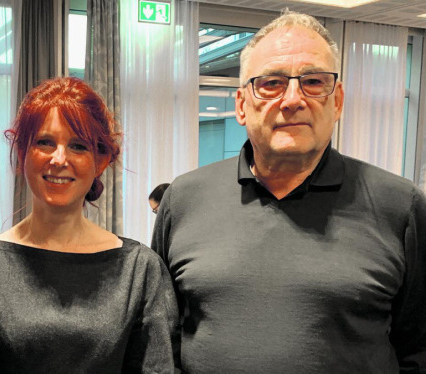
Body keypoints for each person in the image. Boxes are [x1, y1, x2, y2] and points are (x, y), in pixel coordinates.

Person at [152, 10, 426, 373]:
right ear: (241, 105)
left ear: (338, 100)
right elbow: (161, 341)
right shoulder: (184, 200)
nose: (293, 99)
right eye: (271, 83)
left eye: (313, 81)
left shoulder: (401, 207)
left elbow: (419, 350)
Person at [0, 77, 178, 373]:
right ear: (23, 153)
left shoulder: (139, 269)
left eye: (78, 146)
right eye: (44, 143)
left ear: (100, 161)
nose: (59, 159)